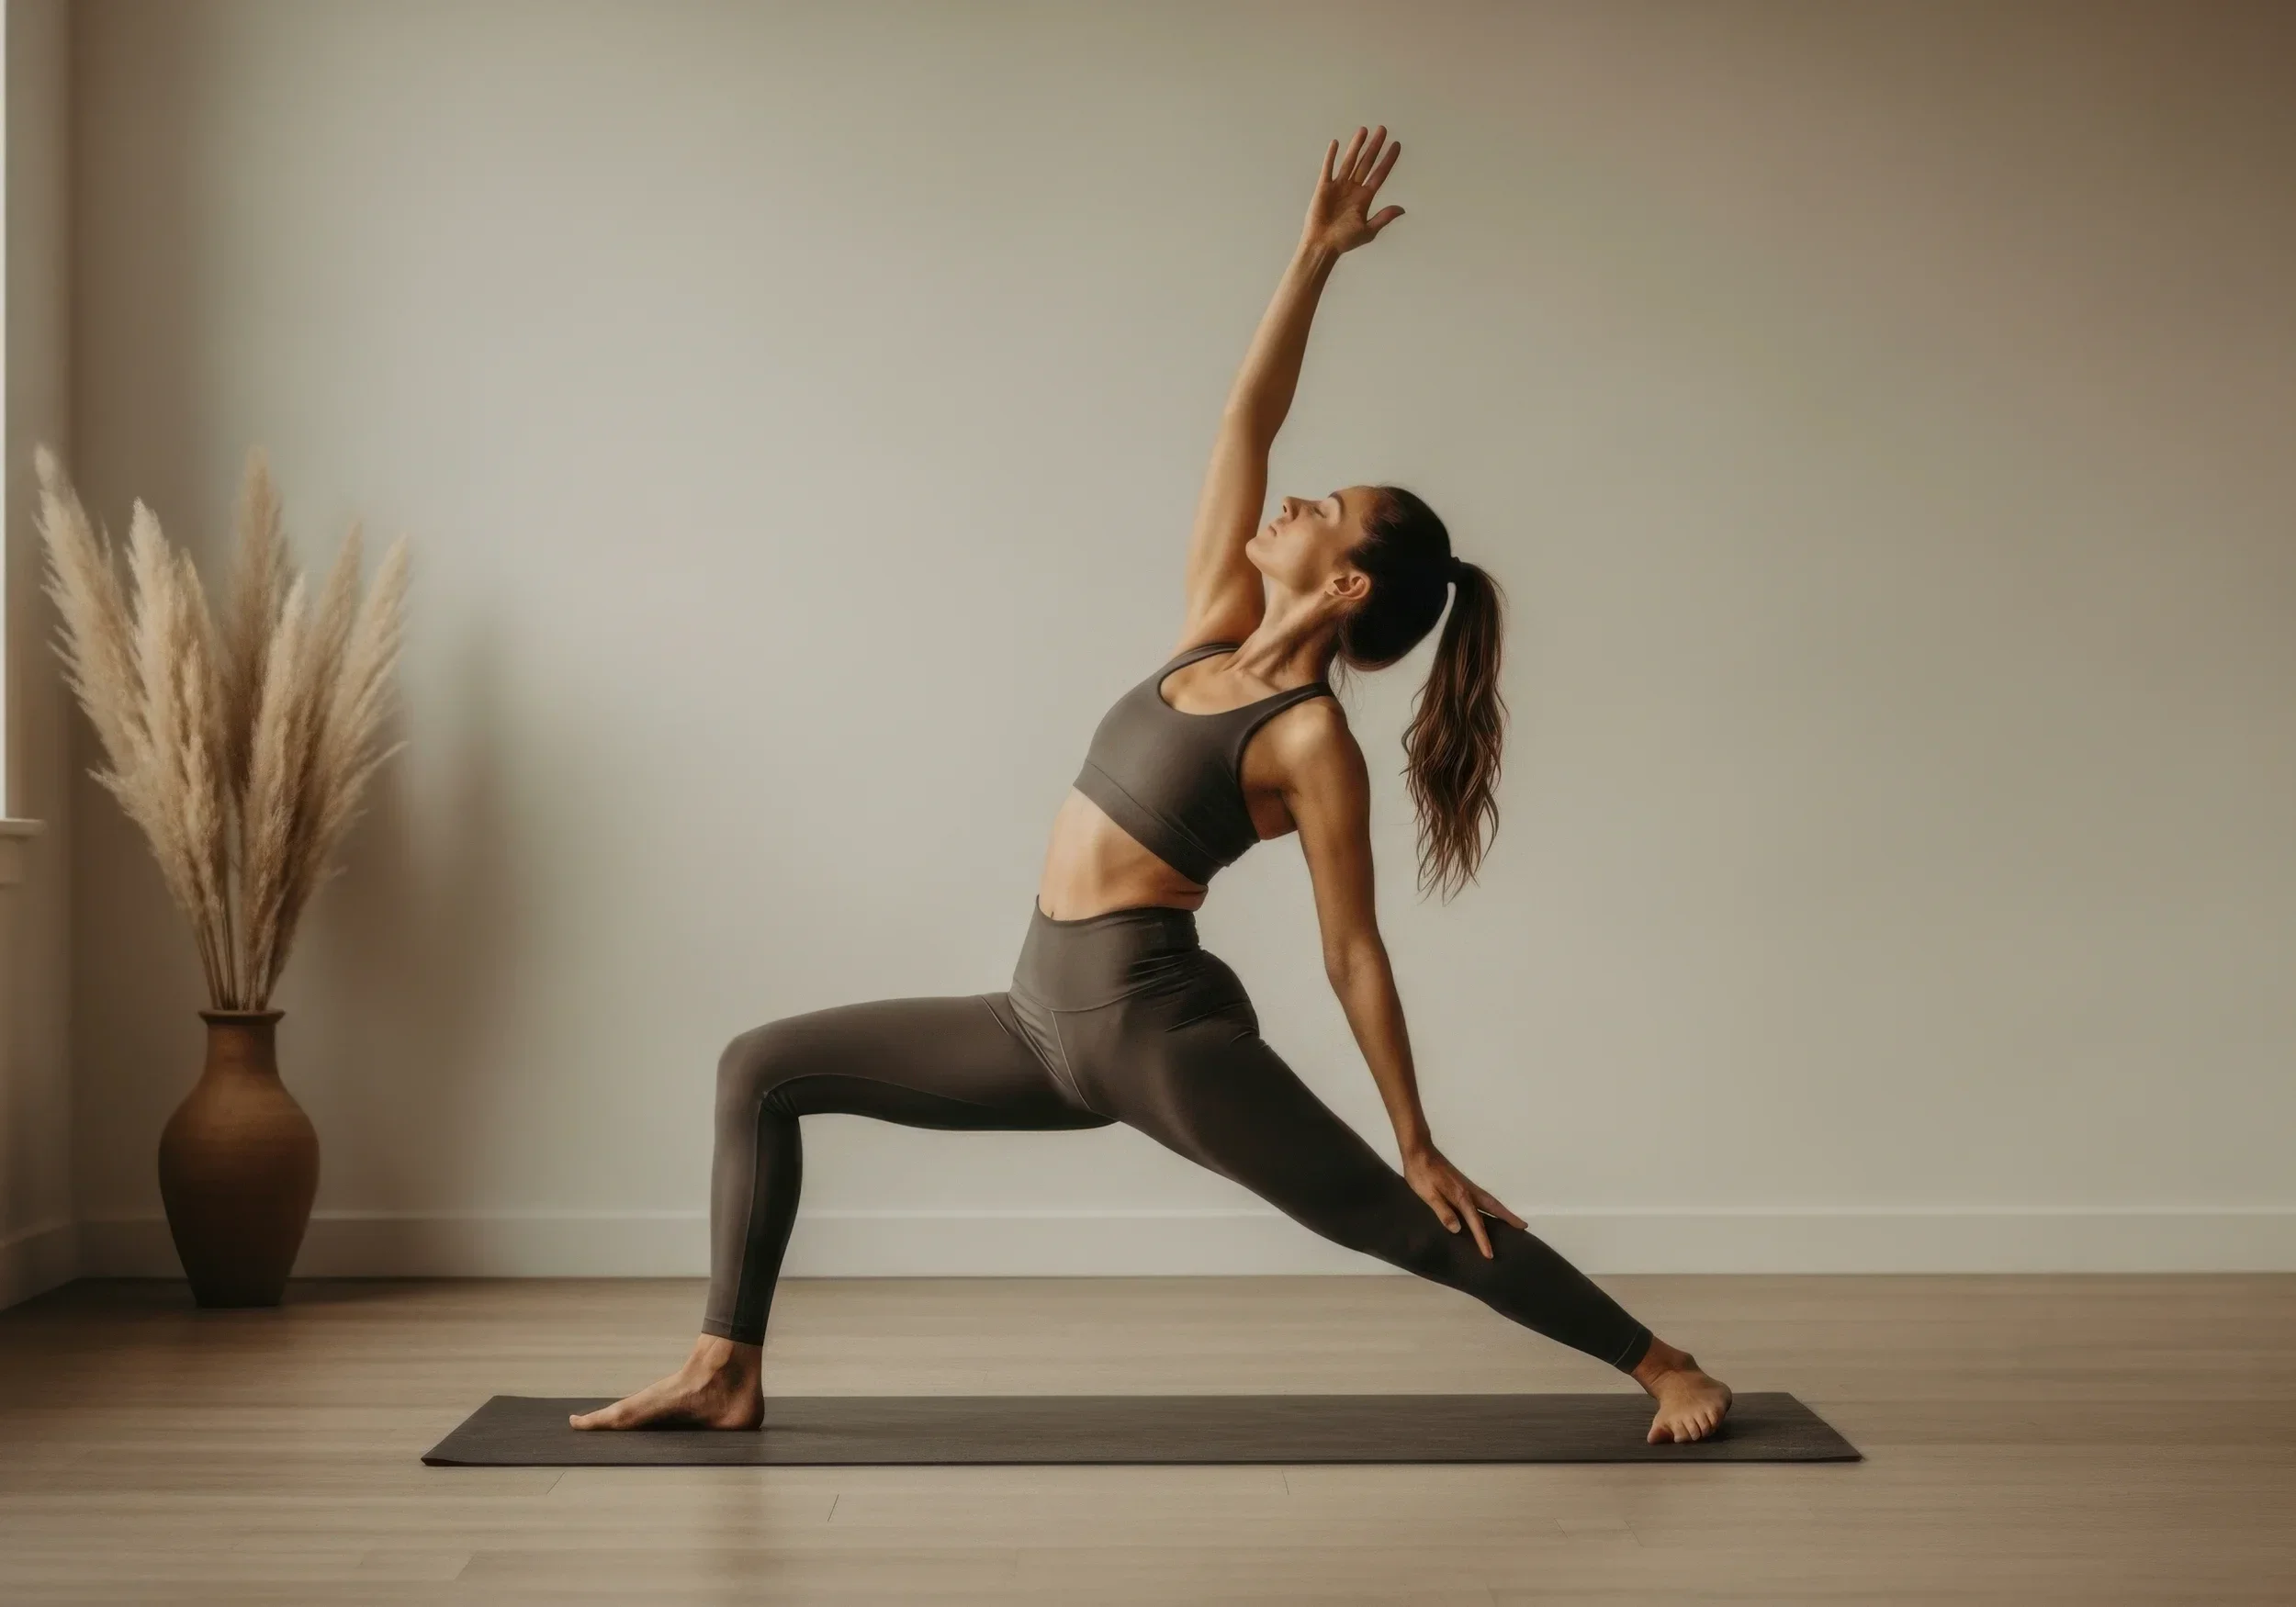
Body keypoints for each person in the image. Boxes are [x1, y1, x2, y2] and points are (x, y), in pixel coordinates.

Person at [575, 127, 1732, 1445]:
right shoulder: (1208, 624)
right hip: (1031, 1013)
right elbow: (1249, 416)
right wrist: (1311, 260)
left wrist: (1416, 1129)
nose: (1289, 502)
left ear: (1347, 584)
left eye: (1322, 509)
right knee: (760, 1067)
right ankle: (725, 1364)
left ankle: (1664, 1361)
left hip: (1148, 1029)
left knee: (1392, 1217)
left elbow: (1352, 950)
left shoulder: (1308, 741)